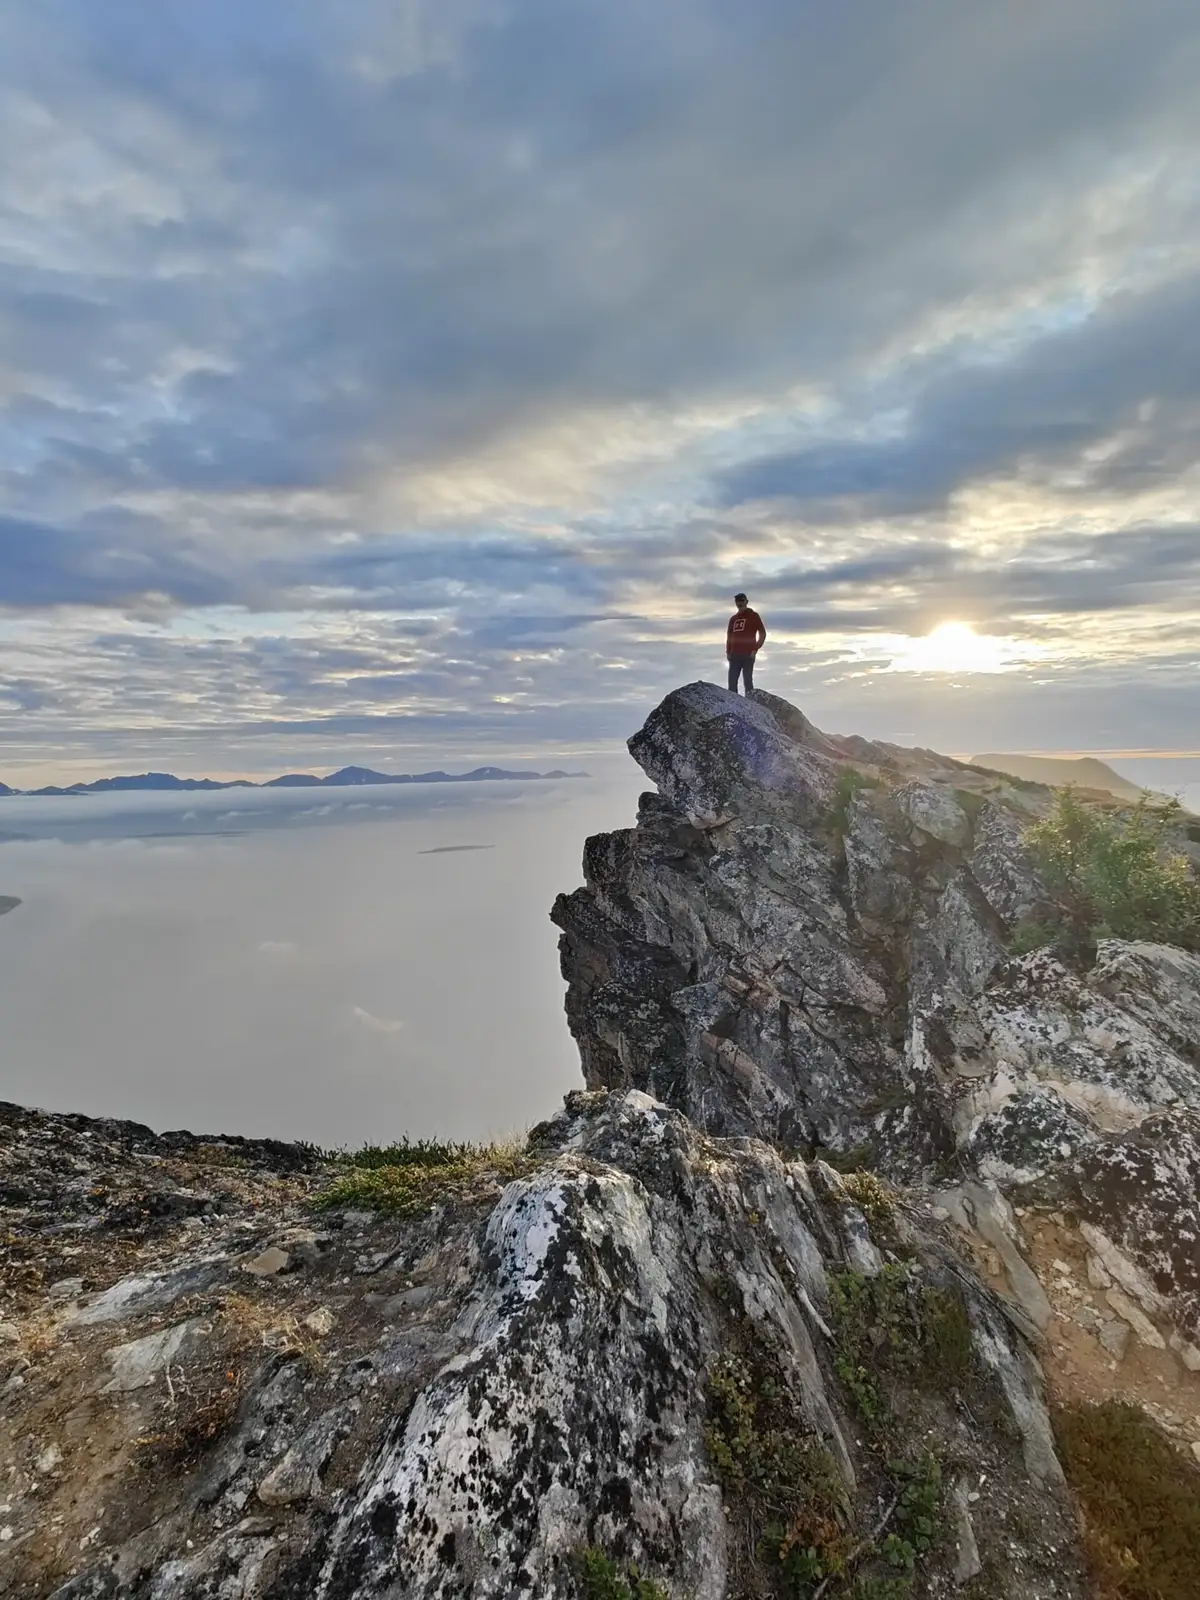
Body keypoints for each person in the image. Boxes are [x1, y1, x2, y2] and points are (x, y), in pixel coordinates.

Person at [726, 593, 766, 694]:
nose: (739, 603)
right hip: (734, 655)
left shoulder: (754, 616)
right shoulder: (733, 619)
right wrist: (728, 652)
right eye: (737, 601)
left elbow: (762, 633)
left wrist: (755, 649)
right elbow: (729, 636)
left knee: (747, 682)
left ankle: (750, 706)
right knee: (732, 683)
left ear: (746, 602)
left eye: (742, 601)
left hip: (748, 654)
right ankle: (733, 705)